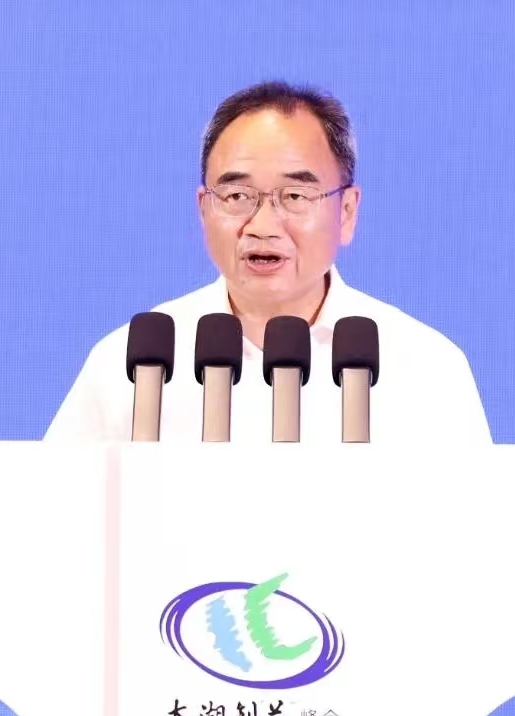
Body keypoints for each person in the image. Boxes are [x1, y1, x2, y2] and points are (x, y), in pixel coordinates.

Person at [44, 80, 491, 444]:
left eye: (295, 196)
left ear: (347, 212)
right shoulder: (133, 364)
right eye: (237, 196)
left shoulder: (425, 368)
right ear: (204, 209)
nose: (262, 225)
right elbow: (53, 510)